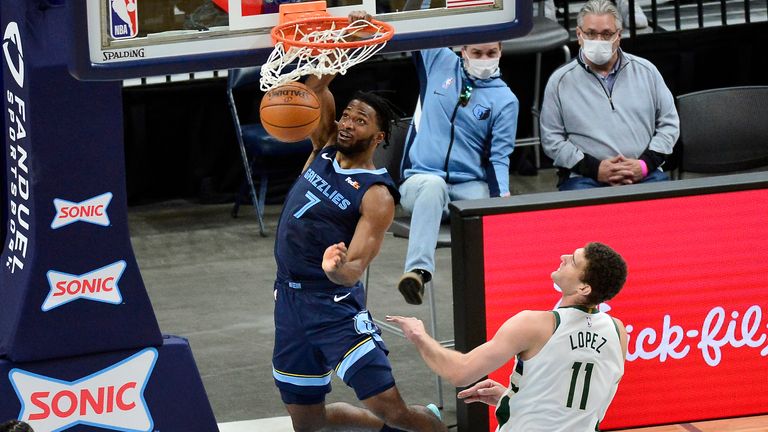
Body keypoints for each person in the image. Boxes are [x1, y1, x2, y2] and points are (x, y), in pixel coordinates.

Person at [269, 13, 446, 432]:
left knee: (394, 409)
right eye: (347, 116)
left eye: (360, 120)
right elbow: (310, 95)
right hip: (288, 302)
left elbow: (354, 271)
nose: (347, 124)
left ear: (379, 136)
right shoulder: (325, 147)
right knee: (308, 423)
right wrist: (336, 51)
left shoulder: (376, 195)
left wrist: (336, 268)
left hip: (332, 307)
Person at [388, 242, 628, 431]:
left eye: (573, 261)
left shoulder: (535, 324)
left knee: (423, 419)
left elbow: (460, 372)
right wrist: (510, 396)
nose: (564, 257)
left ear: (583, 288)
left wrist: (420, 336)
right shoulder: (617, 332)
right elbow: (575, 403)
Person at [397, 43, 518, 305]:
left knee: (485, 206)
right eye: (477, 53)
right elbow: (420, 21)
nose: (484, 60)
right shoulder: (438, 62)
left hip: (468, 186)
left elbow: (499, 157)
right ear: (462, 50)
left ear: (501, 52)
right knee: (433, 185)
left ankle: (493, 293)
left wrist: (501, 198)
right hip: (420, 182)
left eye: (490, 54)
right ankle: (417, 273)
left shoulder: (505, 100)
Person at [540, 0, 679, 191]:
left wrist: (644, 164)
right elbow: (551, 139)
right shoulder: (560, 81)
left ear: (619, 36)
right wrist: (595, 169)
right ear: (579, 35)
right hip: (584, 178)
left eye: (606, 34)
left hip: (645, 173)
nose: (598, 40)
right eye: (590, 33)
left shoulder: (647, 71)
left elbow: (669, 124)